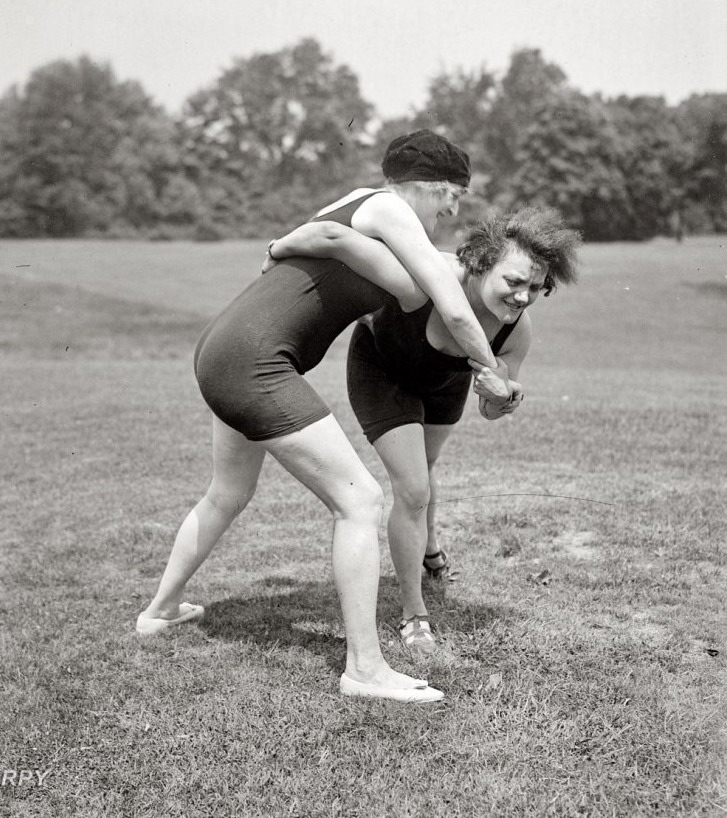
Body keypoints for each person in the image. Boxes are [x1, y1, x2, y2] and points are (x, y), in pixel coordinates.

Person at [136, 130, 513, 703]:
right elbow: (454, 309)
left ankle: (161, 611)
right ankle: (364, 669)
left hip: (224, 346)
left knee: (227, 494)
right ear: (431, 187)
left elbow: (379, 266)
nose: (453, 210)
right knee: (359, 499)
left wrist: (293, 240)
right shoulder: (389, 207)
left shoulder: (356, 207)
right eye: (453, 197)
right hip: (255, 361)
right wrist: (493, 372)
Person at [266, 207, 580, 653]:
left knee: (426, 471)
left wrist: (502, 394)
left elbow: (491, 409)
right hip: (382, 371)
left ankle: (430, 548)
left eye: (535, 287)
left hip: (443, 385)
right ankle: (414, 613)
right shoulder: (427, 272)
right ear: (480, 263)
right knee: (413, 489)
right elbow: (338, 239)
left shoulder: (515, 331)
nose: (523, 297)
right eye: (513, 282)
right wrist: (278, 249)